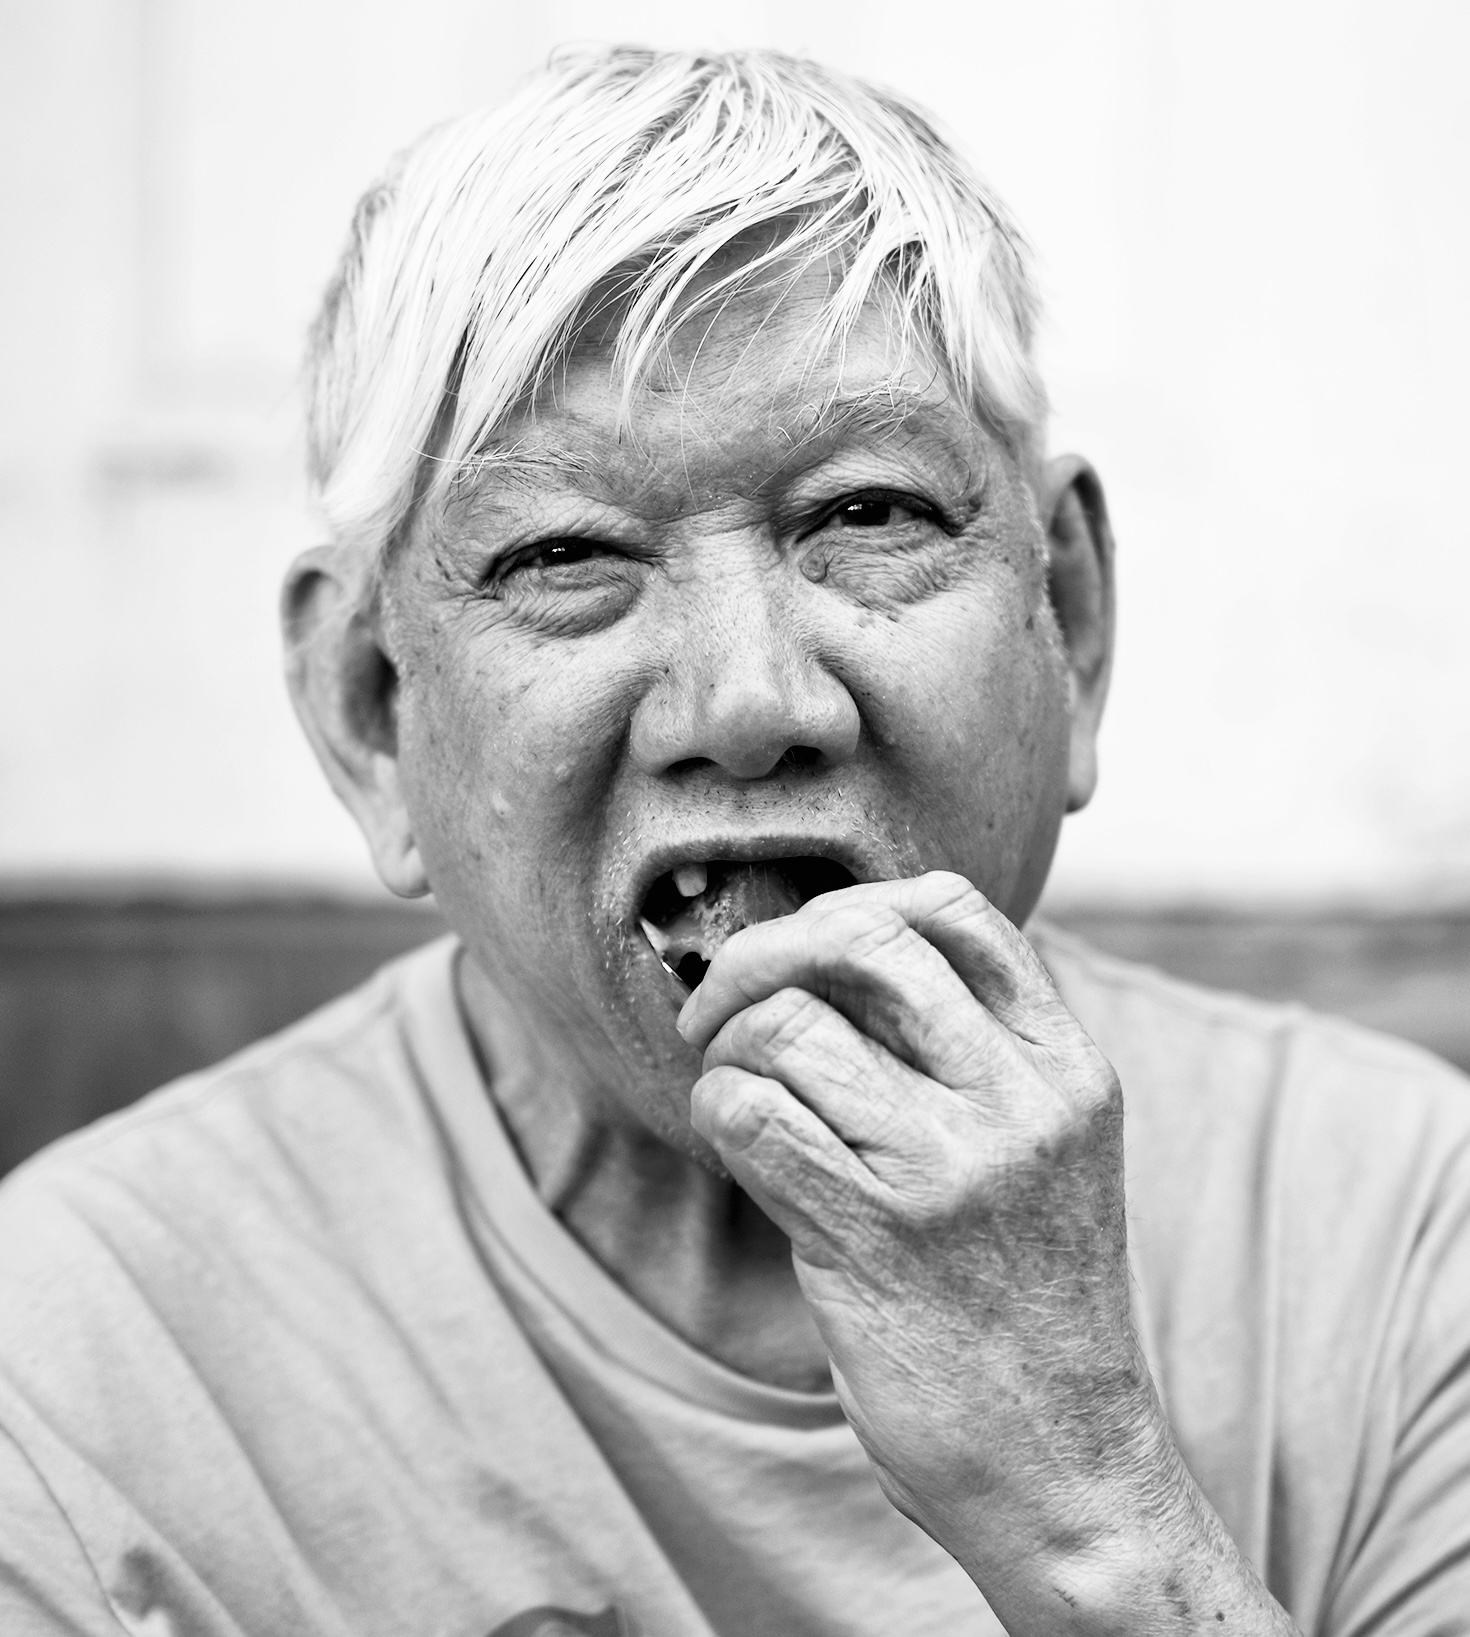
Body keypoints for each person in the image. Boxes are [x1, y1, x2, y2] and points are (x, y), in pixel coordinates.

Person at [1, 45, 1467, 1637]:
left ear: (1070, 615)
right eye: (565, 552)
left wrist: (1091, 1510)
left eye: (867, 513)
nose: (751, 700)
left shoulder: (1396, 1232)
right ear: (369, 709)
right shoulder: (77, 1375)